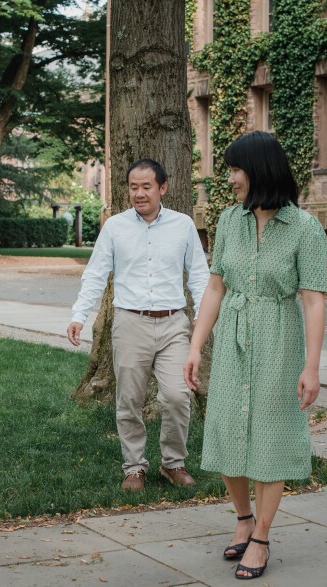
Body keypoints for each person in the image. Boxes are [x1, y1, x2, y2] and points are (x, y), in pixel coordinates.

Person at [183, 132, 327, 580]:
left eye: (235, 169)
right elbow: (215, 287)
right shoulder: (229, 221)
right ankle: (243, 517)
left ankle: (262, 537)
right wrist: (195, 346)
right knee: (227, 429)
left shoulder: (304, 228)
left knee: (270, 435)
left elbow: (313, 300)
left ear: (260, 170)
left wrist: (312, 366)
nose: (230, 179)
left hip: (278, 338)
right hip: (232, 337)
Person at [68, 159, 210, 491]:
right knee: (129, 399)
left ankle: (173, 463)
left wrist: (203, 318)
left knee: (177, 395)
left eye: (147, 186)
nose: (139, 193)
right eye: (134, 187)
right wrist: (79, 315)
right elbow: (95, 274)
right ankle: (134, 467)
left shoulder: (183, 225)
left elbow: (201, 277)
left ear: (163, 188)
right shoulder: (115, 227)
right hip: (130, 324)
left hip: (174, 324)